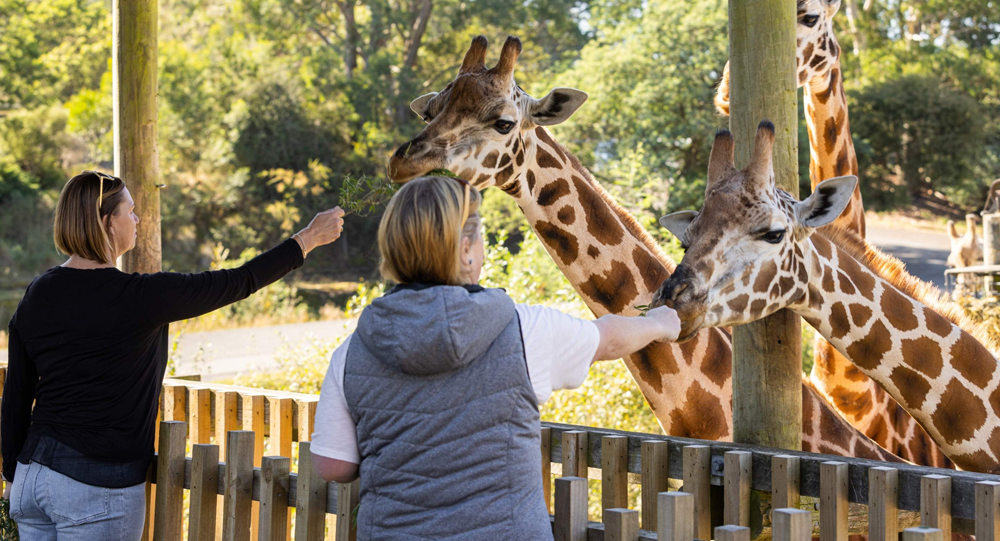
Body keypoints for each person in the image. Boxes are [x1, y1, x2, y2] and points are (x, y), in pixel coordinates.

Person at [308, 176, 680, 540]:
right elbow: (609, 338)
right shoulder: (523, 330)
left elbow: (333, 464)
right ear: (466, 247)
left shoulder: (352, 352)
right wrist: (662, 322)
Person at [1, 170, 345, 539]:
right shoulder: (141, 297)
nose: (136, 220)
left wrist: (12, 475)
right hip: (93, 489)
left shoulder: (38, 293)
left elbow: (17, 395)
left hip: (31, 478)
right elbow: (238, 281)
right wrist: (307, 239)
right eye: (130, 212)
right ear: (106, 223)